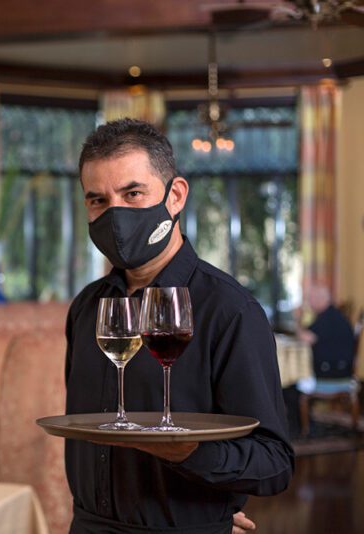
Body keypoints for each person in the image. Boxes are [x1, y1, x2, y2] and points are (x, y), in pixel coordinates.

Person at [65, 118, 293, 533]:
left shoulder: (230, 310)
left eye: (133, 193)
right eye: (98, 200)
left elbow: (273, 464)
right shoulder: (87, 309)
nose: (115, 213)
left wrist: (192, 459)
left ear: (176, 196)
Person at [297, 286, 356, 379]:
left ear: (320, 299)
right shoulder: (331, 314)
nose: (308, 302)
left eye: (310, 298)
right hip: (338, 369)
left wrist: (298, 318)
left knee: (292, 383)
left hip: (332, 372)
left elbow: (306, 338)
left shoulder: (327, 318)